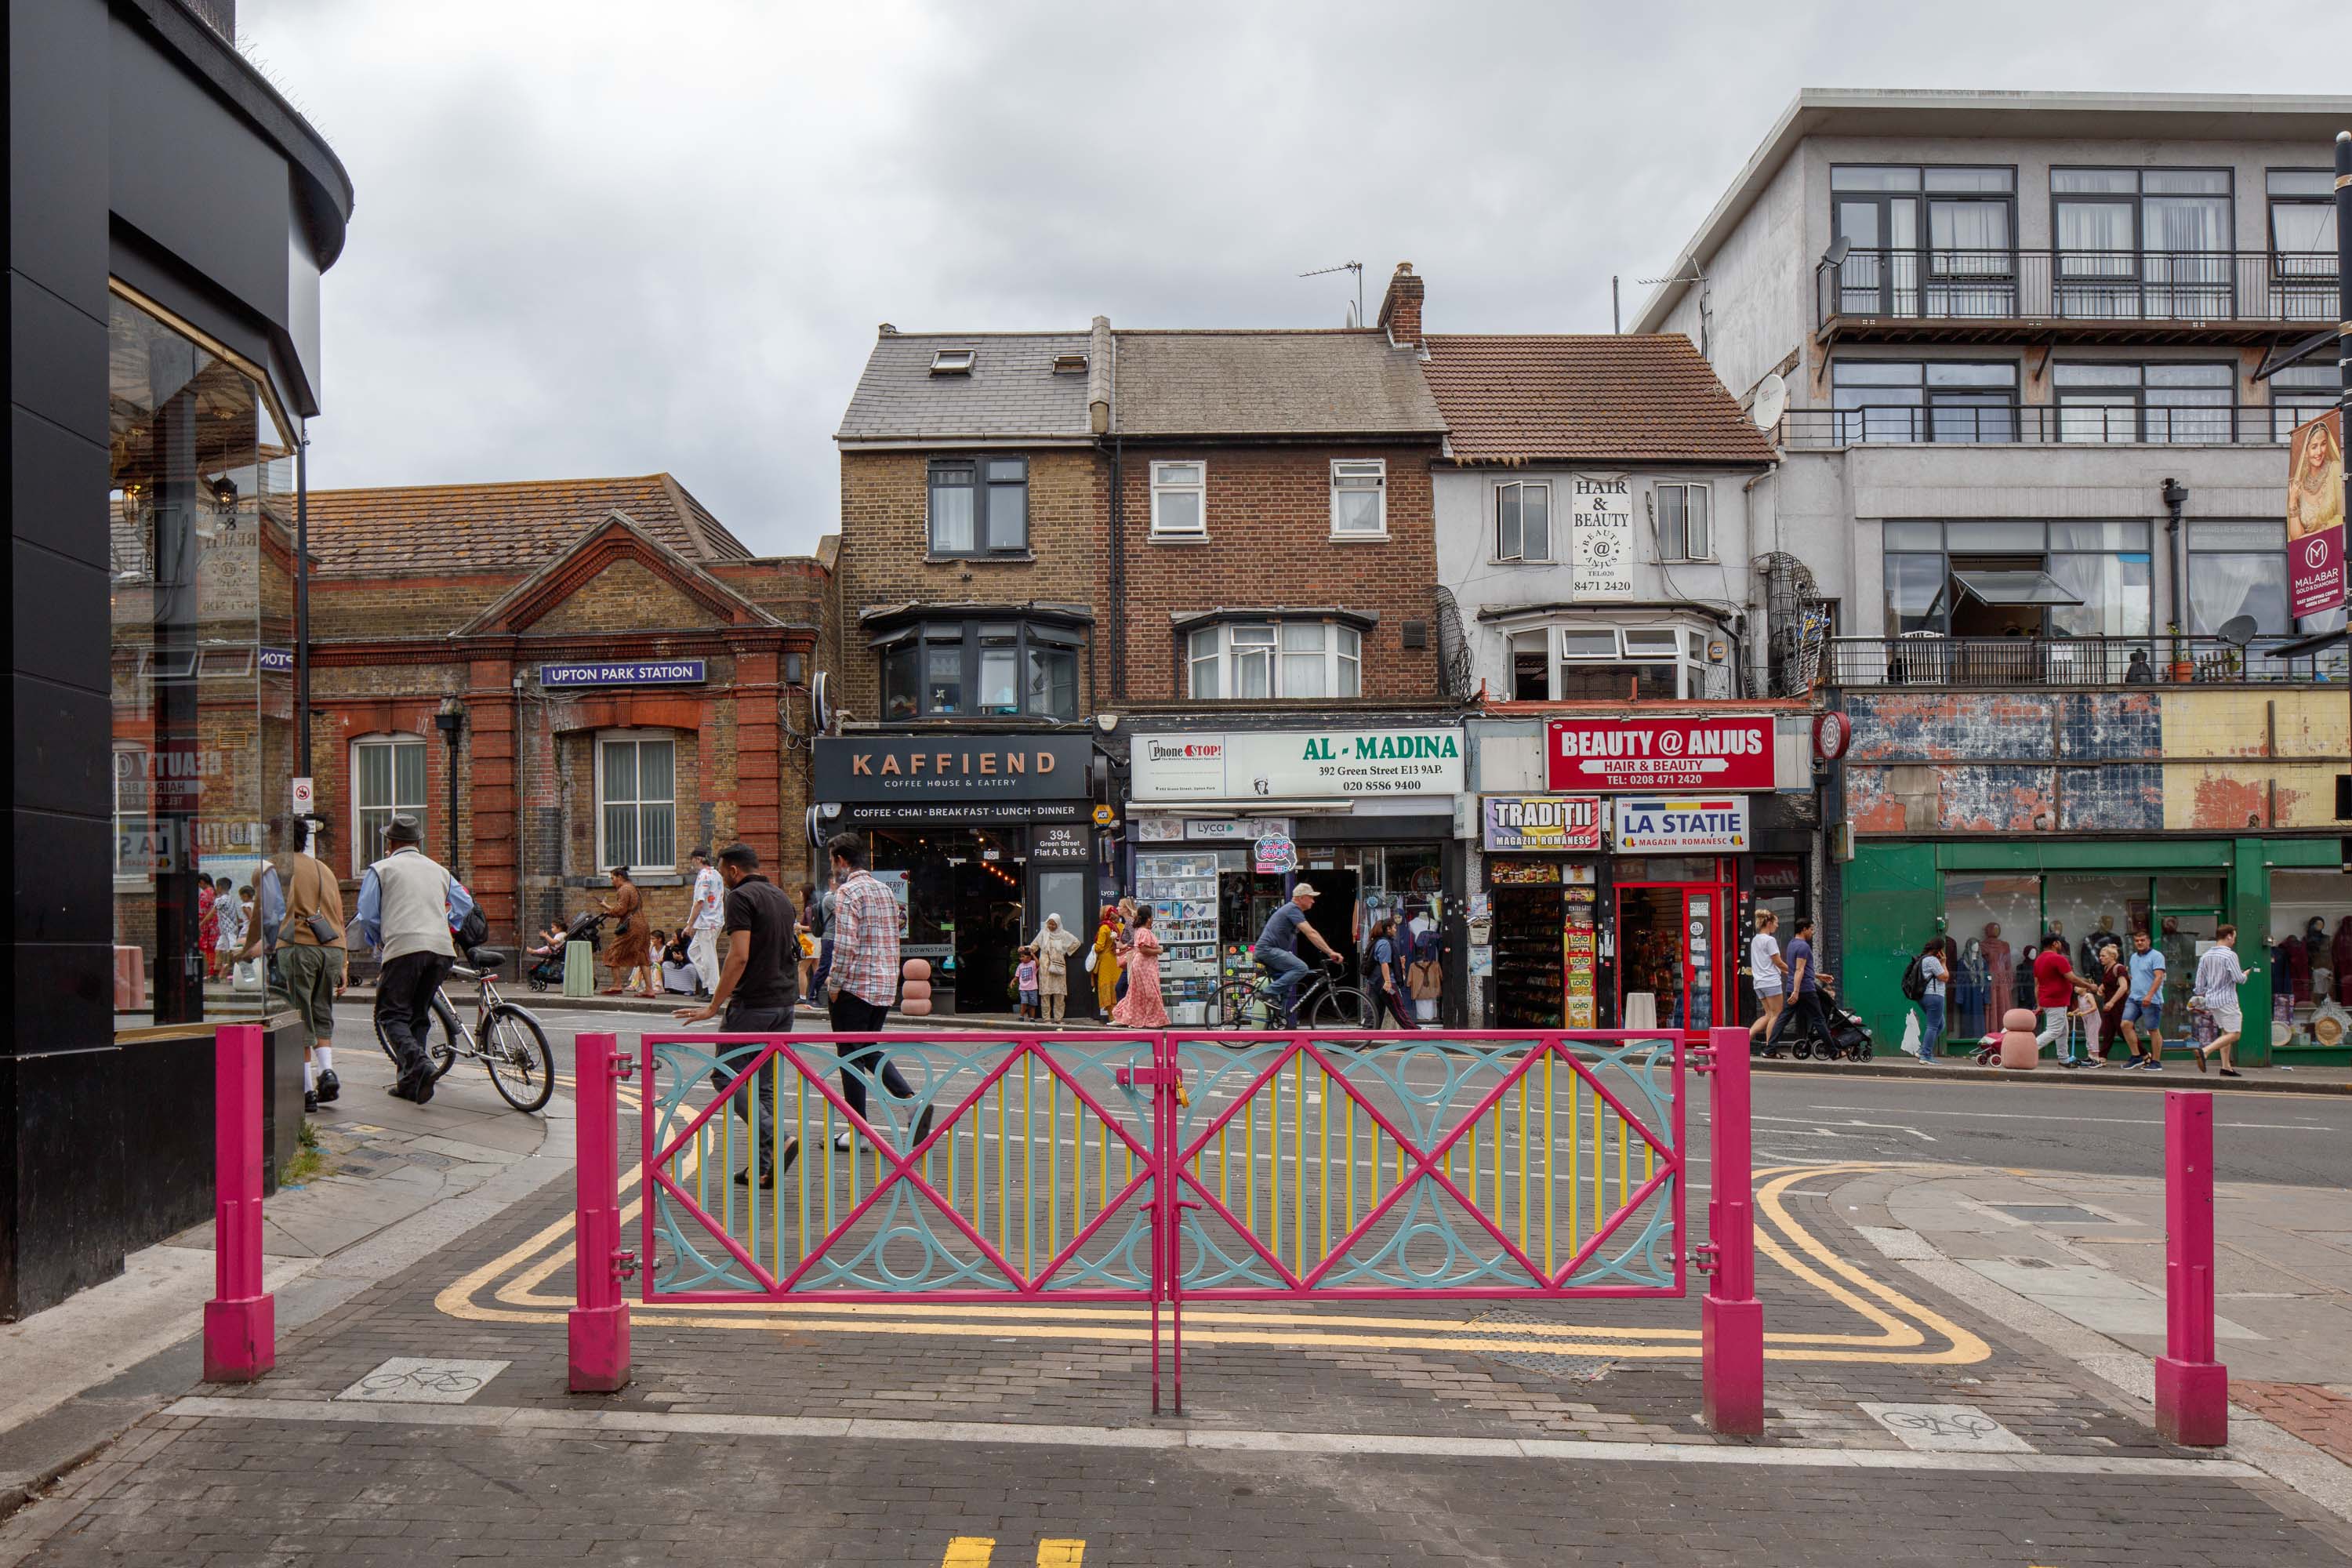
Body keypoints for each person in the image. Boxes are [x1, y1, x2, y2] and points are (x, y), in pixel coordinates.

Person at [673, 843, 797, 1185]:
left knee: (725, 1076)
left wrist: (714, 1005)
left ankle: (777, 1136)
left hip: (753, 1004)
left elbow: (739, 956)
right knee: (765, 1086)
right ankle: (764, 1168)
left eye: (723, 871)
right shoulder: (781, 897)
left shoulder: (741, 898)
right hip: (783, 1003)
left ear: (732, 871)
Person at [822, 832, 931, 1150]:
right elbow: (897, 928)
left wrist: (835, 983)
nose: (834, 868)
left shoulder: (848, 893)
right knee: (866, 1048)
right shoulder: (885, 891)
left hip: (854, 986)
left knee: (850, 1056)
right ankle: (911, 1103)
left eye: (833, 862)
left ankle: (859, 1131)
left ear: (842, 861)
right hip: (883, 985)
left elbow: (844, 945)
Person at [350, 814, 471, 1104]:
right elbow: (464, 904)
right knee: (418, 1014)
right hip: (441, 950)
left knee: (390, 1015)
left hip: (405, 947)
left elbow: (367, 915)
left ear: (390, 842)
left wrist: (378, 939)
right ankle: (410, 1084)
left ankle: (419, 1064)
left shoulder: (382, 869)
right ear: (418, 842)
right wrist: (446, 924)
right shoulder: (439, 870)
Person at [1254, 881, 1342, 1026]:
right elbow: (1311, 933)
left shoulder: (1293, 911)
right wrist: (1330, 952)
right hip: (1267, 950)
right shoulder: (1292, 909)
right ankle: (1267, 993)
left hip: (1272, 951)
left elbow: (1311, 936)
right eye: (1311, 897)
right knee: (1301, 968)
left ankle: (1278, 1021)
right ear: (1301, 898)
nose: (1313, 901)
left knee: (1287, 985)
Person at [2031, 931, 2101, 1068]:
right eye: (2060, 943)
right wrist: (2090, 986)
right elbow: (2072, 978)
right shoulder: (2058, 959)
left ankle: (2064, 1059)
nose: (2061, 945)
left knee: (2063, 1031)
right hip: (2055, 1001)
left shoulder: (2039, 959)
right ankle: (2026, 1050)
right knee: (2054, 1031)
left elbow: (2037, 984)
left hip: (2051, 1001)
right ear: (2055, 943)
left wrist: (2039, 1004)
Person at [1765, 917, 1833, 1054]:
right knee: (1819, 1019)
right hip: (1805, 989)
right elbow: (1799, 970)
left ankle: (1770, 1049)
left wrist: (1818, 976)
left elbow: (1799, 968)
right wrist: (1797, 992)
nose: (1812, 932)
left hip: (1793, 988)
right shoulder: (1803, 947)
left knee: (1783, 1018)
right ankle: (1833, 1051)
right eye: (1811, 929)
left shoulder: (1792, 944)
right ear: (1804, 929)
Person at [2190, 924, 2252, 1077]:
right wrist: (2246, 974)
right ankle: (2205, 1051)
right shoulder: (2230, 955)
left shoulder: (2205, 956)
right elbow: (2239, 979)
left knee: (2226, 1031)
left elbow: (2199, 986)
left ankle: (2226, 1067)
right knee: (2235, 1034)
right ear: (2229, 936)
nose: (2234, 941)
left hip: (2212, 1001)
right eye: (2234, 937)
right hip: (2227, 1000)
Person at [1111, 903, 1168, 1028]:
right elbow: (1143, 949)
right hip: (1145, 966)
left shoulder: (1141, 931)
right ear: (1148, 918)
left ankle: (1132, 1017)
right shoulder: (1144, 932)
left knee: (1137, 994)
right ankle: (1153, 1020)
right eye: (1152, 916)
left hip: (1143, 965)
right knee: (1150, 993)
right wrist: (1159, 951)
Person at [2119, 927, 2167, 1070]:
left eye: (2142, 940)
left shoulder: (2156, 956)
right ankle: (2137, 1057)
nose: (2139, 943)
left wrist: (2150, 995)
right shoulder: (2134, 957)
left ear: (2148, 941)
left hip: (2151, 999)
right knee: (2125, 1025)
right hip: (2134, 998)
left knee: (2153, 1030)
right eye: (2137, 941)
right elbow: (2135, 976)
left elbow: (2159, 977)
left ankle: (2156, 1062)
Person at [1363, 913, 1417, 1030]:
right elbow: (1384, 963)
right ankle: (1415, 1032)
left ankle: (1366, 1037)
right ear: (1388, 929)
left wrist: (1399, 963)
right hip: (1387, 985)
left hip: (1375, 983)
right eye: (1394, 927)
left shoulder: (1378, 941)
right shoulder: (1385, 943)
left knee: (1374, 1013)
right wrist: (1387, 982)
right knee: (1399, 1008)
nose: (1395, 929)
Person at [685, 847, 724, 998]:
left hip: (707, 922)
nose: (692, 864)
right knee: (694, 952)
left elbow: (699, 902)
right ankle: (708, 985)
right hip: (714, 920)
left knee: (709, 957)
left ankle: (714, 990)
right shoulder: (716, 874)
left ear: (699, 859)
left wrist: (690, 925)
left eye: (693, 860)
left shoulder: (704, 876)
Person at [598, 867, 642, 996]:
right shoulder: (634, 888)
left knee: (612, 952)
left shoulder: (623, 889)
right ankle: (650, 989)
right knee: (643, 956)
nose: (612, 882)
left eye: (613, 878)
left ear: (620, 877)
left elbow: (621, 911)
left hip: (630, 925)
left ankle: (617, 985)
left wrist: (609, 913)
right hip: (641, 923)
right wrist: (607, 907)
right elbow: (627, 908)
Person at [1032, 912, 1082, 1023]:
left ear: (1058, 924)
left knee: (1059, 994)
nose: (1051, 926)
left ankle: (1058, 1018)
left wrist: (1065, 952)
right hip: (1045, 965)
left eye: (1054, 924)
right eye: (1049, 924)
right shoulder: (1043, 933)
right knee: (1045, 993)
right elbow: (1034, 945)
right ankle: (1046, 1018)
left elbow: (1076, 942)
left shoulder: (1063, 934)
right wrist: (1026, 949)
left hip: (1058, 965)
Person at [1748, 910, 1788, 1045]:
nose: (1777, 926)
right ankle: (1770, 1047)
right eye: (1776, 923)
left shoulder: (1755, 939)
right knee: (1776, 1014)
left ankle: (1744, 1041)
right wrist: (1793, 971)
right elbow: (1778, 962)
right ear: (1769, 923)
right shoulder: (1770, 940)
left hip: (1759, 983)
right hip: (1771, 981)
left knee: (1768, 1014)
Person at [2094, 942, 2129, 1064]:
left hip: (2118, 1004)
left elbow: (2123, 987)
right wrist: (2102, 987)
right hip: (2109, 1003)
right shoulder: (2107, 968)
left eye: (2104, 956)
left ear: (2112, 957)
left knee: (2123, 1031)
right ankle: (2102, 1057)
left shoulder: (2119, 968)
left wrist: (2112, 1002)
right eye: (2100, 955)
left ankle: (2144, 1054)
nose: (2101, 958)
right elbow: (2109, 982)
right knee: (2108, 1030)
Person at [1916, 936, 1948, 1062]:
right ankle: (1926, 1055)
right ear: (1939, 950)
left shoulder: (1922, 959)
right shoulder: (1932, 961)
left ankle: (1923, 1050)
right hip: (1934, 996)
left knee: (1940, 1024)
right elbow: (1945, 977)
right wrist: (1944, 963)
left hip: (1923, 996)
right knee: (1933, 1026)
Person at [1090, 905, 1123, 1022]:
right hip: (1118, 962)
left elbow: (1099, 947)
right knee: (1118, 988)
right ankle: (1121, 1017)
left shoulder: (1104, 928)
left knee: (1107, 988)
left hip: (1106, 963)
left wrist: (1094, 947)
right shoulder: (1122, 926)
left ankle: (1112, 1017)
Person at [794, 883, 819, 1001]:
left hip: (809, 940)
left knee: (802, 968)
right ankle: (816, 996)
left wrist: (798, 926)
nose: (799, 894)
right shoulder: (815, 906)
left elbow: (811, 927)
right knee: (817, 970)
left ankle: (803, 997)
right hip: (815, 940)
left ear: (805, 893)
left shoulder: (809, 908)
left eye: (800, 892)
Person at [1015, 946, 1040, 1020]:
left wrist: (1033, 955)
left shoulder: (1033, 963)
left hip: (1033, 988)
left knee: (1033, 1004)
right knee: (1024, 1002)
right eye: (1020, 957)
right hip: (1023, 988)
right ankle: (1021, 1016)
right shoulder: (1020, 966)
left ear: (1029, 957)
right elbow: (1017, 976)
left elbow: (1038, 964)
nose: (1021, 958)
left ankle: (1032, 1018)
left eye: (1023, 956)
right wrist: (1013, 981)